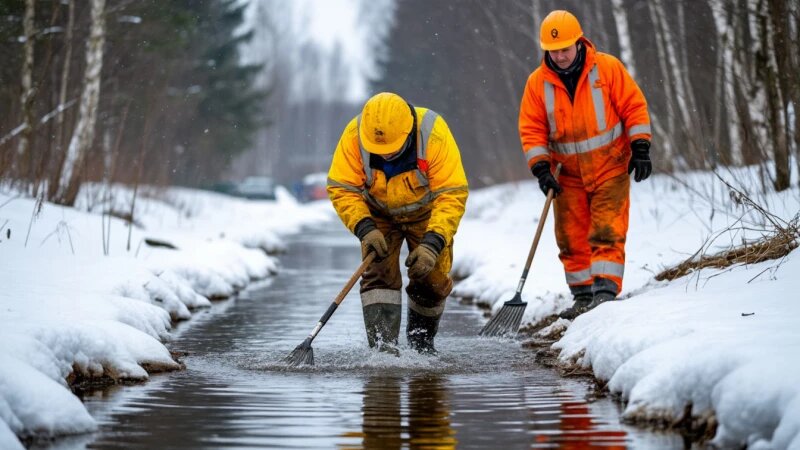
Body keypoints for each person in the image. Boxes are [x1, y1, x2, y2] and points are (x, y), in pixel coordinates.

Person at [518, 10, 652, 320]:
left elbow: (634, 107)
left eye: (565, 48)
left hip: (610, 165)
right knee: (570, 237)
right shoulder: (537, 84)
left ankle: (604, 292)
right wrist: (541, 169)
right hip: (567, 175)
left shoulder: (607, 69)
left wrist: (640, 146)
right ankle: (582, 296)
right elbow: (532, 129)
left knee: (608, 227)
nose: (560, 56)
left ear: (579, 43)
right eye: (554, 50)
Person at [327, 92, 468, 354]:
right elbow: (342, 187)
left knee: (433, 278)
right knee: (378, 277)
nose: (386, 155)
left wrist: (433, 243)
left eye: (392, 150)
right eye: (379, 151)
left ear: (407, 132)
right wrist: (364, 228)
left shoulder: (433, 134)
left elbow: (451, 193)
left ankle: (421, 344)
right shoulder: (355, 136)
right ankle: (383, 349)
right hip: (377, 214)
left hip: (426, 214)